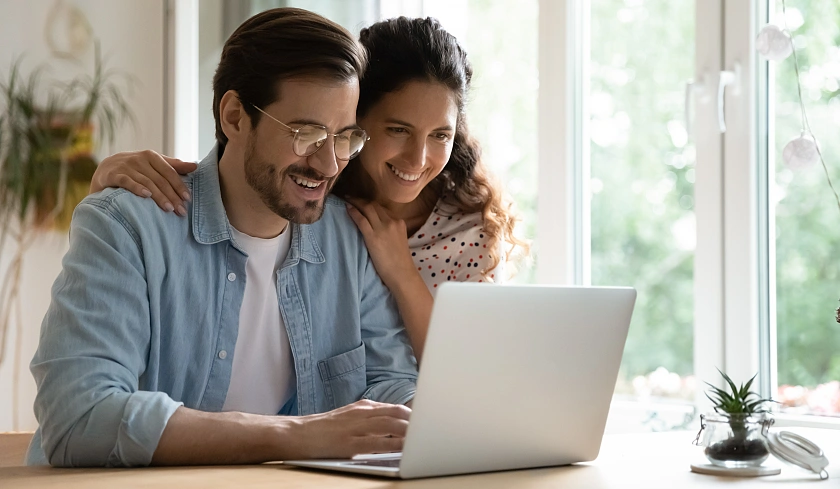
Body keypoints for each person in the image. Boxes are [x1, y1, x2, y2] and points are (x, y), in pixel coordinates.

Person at [28, 8, 418, 468]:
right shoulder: (126, 227)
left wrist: (431, 419)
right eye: (306, 134)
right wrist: (296, 436)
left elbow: (387, 381)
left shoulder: (349, 239)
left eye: (344, 139)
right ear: (234, 116)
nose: (330, 164)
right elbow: (79, 416)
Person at [91, 17, 529, 362]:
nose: (418, 160)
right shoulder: (317, 196)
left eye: (441, 135)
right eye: (397, 129)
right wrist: (109, 177)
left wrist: (400, 270)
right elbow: (247, 163)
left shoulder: (469, 230)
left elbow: (469, 375)